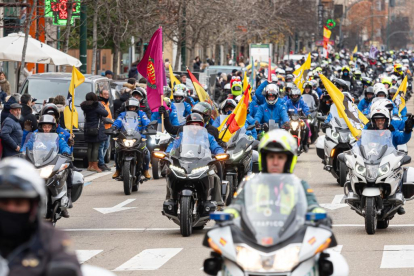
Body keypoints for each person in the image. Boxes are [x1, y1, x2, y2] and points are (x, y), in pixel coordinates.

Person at [0, 158, 81, 276]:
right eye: (4, 203)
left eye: (19, 203)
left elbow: (67, 264)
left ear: (34, 206)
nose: (11, 209)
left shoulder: (52, 240)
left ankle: (67, 195)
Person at [224, 130, 325, 220]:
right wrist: (230, 212)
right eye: (271, 157)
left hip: (292, 236)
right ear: (263, 159)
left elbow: (312, 203)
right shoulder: (250, 184)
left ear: (289, 161)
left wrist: (316, 210)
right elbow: (237, 205)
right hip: (255, 236)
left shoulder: (300, 185)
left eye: (280, 157)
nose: (275, 162)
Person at [165, 113, 225, 205]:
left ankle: (217, 200)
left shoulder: (208, 136)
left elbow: (216, 147)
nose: (194, 127)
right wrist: (169, 153)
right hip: (183, 162)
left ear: (201, 126)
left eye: (197, 124)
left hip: (202, 163)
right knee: (170, 172)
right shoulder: (181, 136)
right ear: (187, 125)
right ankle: (170, 197)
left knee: (215, 176)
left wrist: (220, 153)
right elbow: (174, 147)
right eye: (192, 124)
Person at [364, 107, 412, 214]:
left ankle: (398, 200)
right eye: (377, 120)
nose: (380, 122)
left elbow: (402, 138)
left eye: (382, 120)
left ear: (386, 120)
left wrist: (408, 130)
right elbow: (360, 143)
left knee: (399, 172)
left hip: (389, 159)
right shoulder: (368, 131)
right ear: (373, 121)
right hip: (372, 159)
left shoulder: (391, 131)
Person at [111, 99, 151, 179]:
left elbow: (146, 121)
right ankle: (118, 170)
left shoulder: (141, 114)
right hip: (125, 137)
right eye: (130, 107)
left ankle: (145, 170)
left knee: (147, 153)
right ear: (127, 108)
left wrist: (149, 126)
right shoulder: (123, 115)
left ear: (137, 107)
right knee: (116, 152)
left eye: (133, 107)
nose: (132, 109)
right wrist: (114, 127)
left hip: (139, 137)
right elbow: (118, 121)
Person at [80, 92, 109, 173]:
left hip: (87, 128)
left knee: (89, 147)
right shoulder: (96, 105)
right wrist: (102, 107)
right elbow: (105, 113)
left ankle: (90, 165)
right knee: (95, 147)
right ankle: (95, 166)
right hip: (96, 128)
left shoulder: (84, 106)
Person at [98, 89, 113, 171]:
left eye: (107, 94)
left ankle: (101, 162)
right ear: (101, 95)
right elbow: (102, 116)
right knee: (102, 146)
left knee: (106, 146)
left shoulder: (107, 103)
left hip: (108, 128)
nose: (107, 95)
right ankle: (101, 163)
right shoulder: (101, 104)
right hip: (103, 128)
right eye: (105, 94)